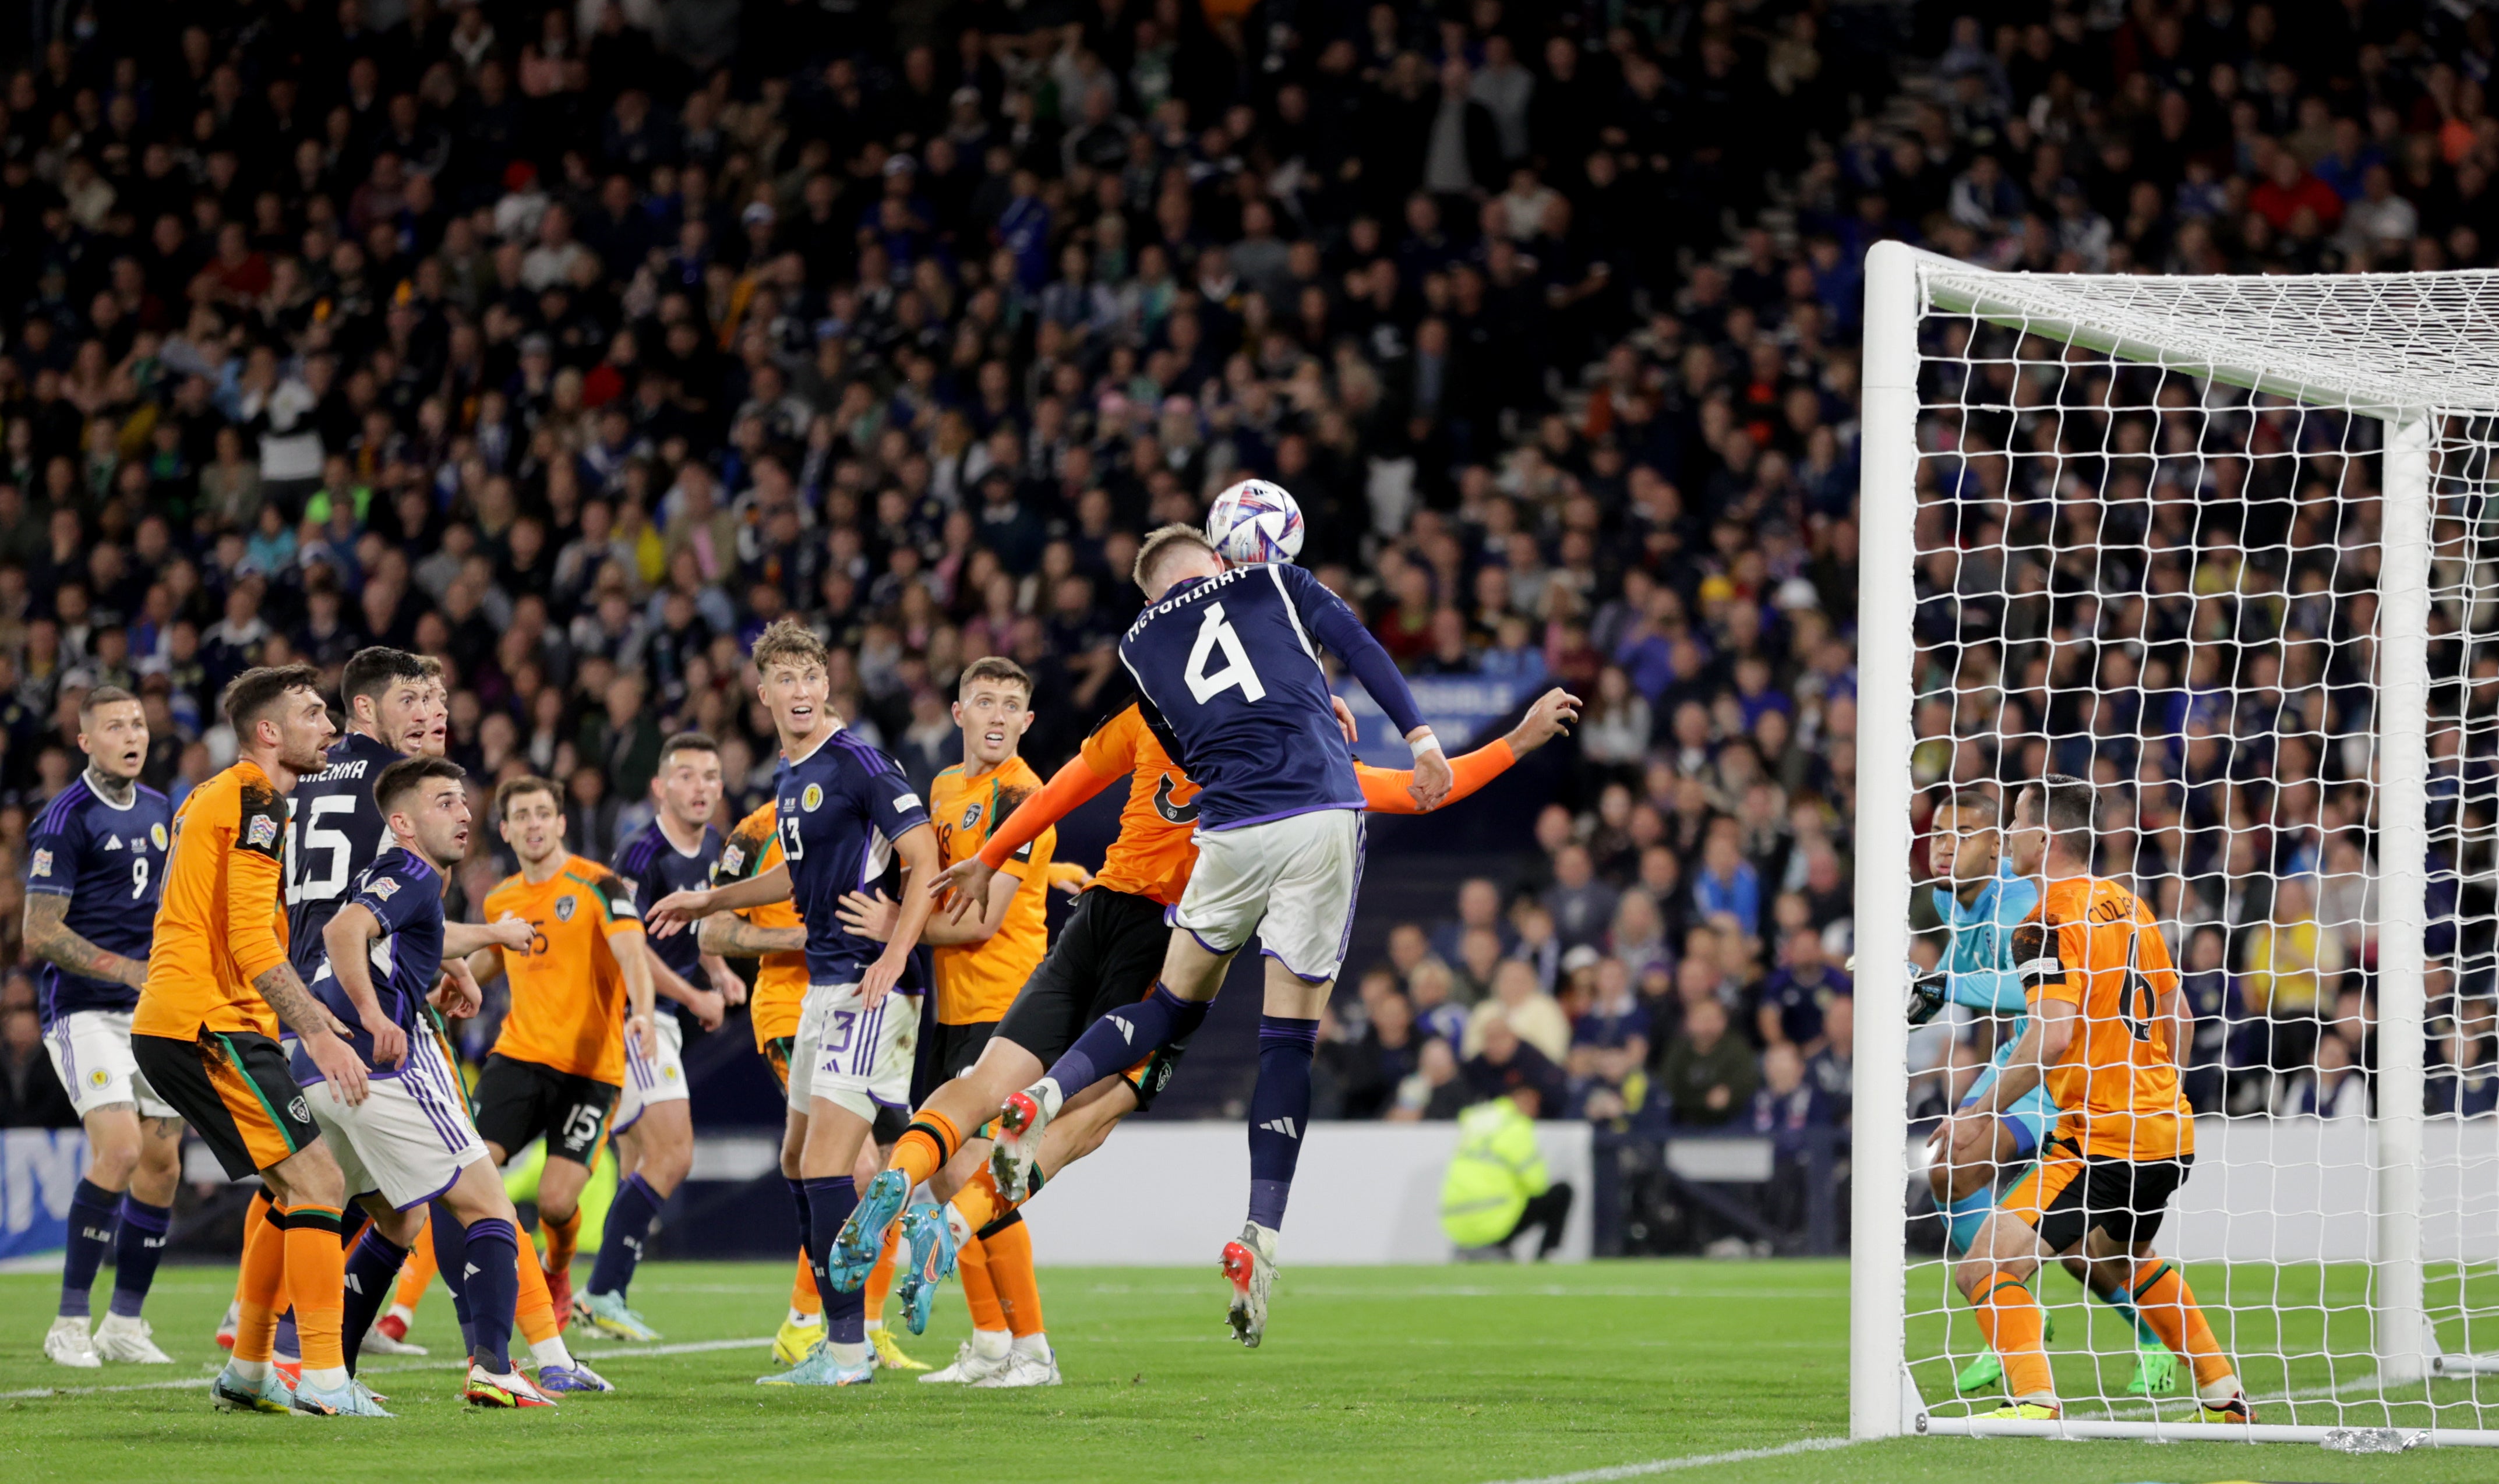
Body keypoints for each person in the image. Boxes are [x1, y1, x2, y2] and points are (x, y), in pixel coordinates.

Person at [888, 685, 1583, 1333]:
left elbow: (1069, 784)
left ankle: (944, 1189)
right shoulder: (1322, 778)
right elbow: (1423, 790)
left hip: (1102, 900)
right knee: (1096, 1116)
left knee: (1028, 1093)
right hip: (1165, 931)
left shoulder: (1181, 722)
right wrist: (1517, 740)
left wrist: (996, 852)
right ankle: (963, 1220)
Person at [970, 525, 1452, 1348]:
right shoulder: (1273, 582)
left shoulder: (1138, 647)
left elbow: (1189, 742)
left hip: (1230, 829)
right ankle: (1260, 1233)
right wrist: (1419, 737)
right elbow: (1360, 644)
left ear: (1152, 592)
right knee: (1287, 1041)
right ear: (1220, 562)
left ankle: (1043, 1095)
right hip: (1317, 811)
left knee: (1166, 1004)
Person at [644, 618, 944, 1388]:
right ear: (763, 692)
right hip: (824, 984)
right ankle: (912, 1218)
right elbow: (790, 880)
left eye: (812, 675)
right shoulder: (790, 778)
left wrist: (897, 951)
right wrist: (707, 897)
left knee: (824, 1164)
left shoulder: (858, 762)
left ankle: (843, 1351)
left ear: (827, 683)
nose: (801, 690)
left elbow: (922, 855)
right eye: (785, 678)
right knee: (795, 1159)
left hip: (866, 987)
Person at [1953, 775, 2251, 1425]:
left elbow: (2052, 1036)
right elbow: (2182, 1016)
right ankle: (2223, 1395)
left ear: (2045, 837)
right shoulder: (2130, 905)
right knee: (2116, 1258)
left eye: (2017, 823)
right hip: (2169, 1134)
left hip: (2101, 1143)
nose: (2007, 836)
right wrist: (2153, 1087)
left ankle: (2033, 1400)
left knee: (1980, 1267)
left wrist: (1979, 1109)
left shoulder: (2042, 925)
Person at [125, 666, 376, 1416]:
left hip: (186, 1019)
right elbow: (246, 938)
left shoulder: (217, 794)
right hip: (211, 1021)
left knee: (286, 1189)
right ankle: (327, 1379)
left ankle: (247, 1369)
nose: (328, 726)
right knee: (320, 1184)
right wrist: (317, 1033)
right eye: (310, 713)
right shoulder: (258, 799)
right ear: (269, 733)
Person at [274, 648, 523, 1366]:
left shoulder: (311, 778)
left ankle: (287, 1353)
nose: (430, 716)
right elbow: (366, 913)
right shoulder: (390, 791)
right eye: (412, 701)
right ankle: (507, 1360)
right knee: (477, 1196)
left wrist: (439, 959)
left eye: (436, 702)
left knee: (338, 1198)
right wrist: (392, 1005)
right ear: (367, 709)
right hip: (360, 1011)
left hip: (297, 991)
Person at [299, 755, 555, 1409]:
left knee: (397, 1218)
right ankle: (495, 1368)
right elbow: (342, 930)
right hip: (375, 1063)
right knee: (490, 1205)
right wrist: (377, 1012)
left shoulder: (397, 876)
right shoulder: (411, 871)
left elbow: (409, 936)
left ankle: (331, 1375)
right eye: (446, 802)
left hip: (316, 1068)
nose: (465, 812)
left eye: (463, 800)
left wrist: (458, 959)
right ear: (404, 823)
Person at [832, 655, 1061, 1386]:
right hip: (951, 1009)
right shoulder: (945, 788)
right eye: (983, 700)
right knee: (942, 1183)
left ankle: (1033, 1349)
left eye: (1010, 706)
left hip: (1007, 1010)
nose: (996, 716)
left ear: (1027, 723)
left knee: (971, 1172)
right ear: (957, 712)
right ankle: (992, 1342)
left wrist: (898, 923)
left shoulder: (1025, 794)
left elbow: (985, 921)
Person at [1915, 786, 2175, 1398]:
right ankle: (2015, 1309)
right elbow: (1966, 965)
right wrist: (1920, 995)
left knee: (2087, 1248)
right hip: (2020, 1056)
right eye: (1938, 833)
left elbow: (2024, 993)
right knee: (1950, 1165)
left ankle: (2153, 1336)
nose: (1944, 847)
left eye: (1967, 834)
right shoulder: (1950, 898)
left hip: (2061, 1058)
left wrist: (1947, 984)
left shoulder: (2027, 901)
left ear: (1999, 848)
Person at [461, 771, 660, 1395]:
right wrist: (459, 979)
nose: (534, 824)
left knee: (554, 1203)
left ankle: (558, 1268)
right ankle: (483, 1325)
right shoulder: (500, 901)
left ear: (561, 821)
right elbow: (492, 958)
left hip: (591, 1071)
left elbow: (633, 956)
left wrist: (644, 1012)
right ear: (507, 828)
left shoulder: (599, 884)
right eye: (522, 816)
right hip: (519, 1057)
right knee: (471, 1173)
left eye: (543, 813)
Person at [24, 686, 179, 1368]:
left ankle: (125, 1322)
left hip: (152, 1010)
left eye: (138, 723)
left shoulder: (158, 808)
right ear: (85, 741)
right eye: (115, 725)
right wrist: (123, 970)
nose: (132, 734)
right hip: (85, 1008)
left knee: (163, 1162)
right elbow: (38, 931)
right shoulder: (66, 817)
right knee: (117, 1149)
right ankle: (68, 1321)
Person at [578, 731, 746, 1342]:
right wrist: (695, 993)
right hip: (633, 1016)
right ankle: (599, 1291)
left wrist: (720, 970)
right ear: (660, 787)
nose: (700, 788)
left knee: (636, 1162)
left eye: (710, 777)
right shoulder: (640, 852)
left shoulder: (718, 849)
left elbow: (700, 930)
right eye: (687, 776)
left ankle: (606, 1296)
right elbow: (629, 949)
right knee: (673, 1155)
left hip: (655, 1017)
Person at [702, 796, 823, 1365]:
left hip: (867, 1010)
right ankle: (807, 1321)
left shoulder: (866, 811)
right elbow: (713, 932)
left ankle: (867, 1325)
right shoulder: (754, 832)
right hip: (790, 1011)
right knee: (846, 1159)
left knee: (883, 1160)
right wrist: (797, 939)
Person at [1439, 1083, 1572, 1261]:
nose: (1534, 1110)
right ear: (1519, 1098)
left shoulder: (1475, 1121)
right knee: (1562, 1192)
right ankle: (1546, 1257)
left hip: (1456, 1226)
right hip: (1495, 1223)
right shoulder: (1516, 1126)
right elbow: (1537, 1185)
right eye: (1532, 1103)